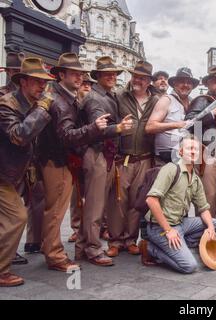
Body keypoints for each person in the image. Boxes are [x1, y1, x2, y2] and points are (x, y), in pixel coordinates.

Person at [37, 53, 104, 272]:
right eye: (74, 74)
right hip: (56, 160)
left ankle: (52, 250)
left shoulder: (65, 96)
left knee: (55, 208)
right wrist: (94, 128)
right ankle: (55, 255)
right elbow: (67, 135)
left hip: (59, 159)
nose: (79, 78)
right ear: (61, 75)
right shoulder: (60, 100)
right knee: (56, 210)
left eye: (81, 74)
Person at [0, 57, 54, 286]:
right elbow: (19, 136)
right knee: (16, 217)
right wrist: (42, 109)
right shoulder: (6, 105)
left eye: (44, 82)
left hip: (16, 173)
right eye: (37, 81)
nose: (42, 87)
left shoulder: (30, 103)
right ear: (23, 81)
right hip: (3, 175)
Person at [75, 56, 133, 267]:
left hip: (104, 155)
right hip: (98, 154)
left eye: (114, 73)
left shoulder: (107, 95)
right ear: (97, 76)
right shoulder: (96, 99)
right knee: (95, 206)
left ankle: (83, 247)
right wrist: (118, 128)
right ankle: (93, 249)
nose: (112, 76)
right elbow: (97, 128)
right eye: (107, 73)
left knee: (95, 204)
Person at [106, 61, 160, 257]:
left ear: (149, 81)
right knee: (117, 201)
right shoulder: (119, 95)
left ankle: (130, 239)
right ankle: (114, 240)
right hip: (123, 158)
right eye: (136, 76)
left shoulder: (155, 101)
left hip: (145, 157)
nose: (138, 80)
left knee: (137, 202)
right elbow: (109, 123)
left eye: (143, 78)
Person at [144, 135, 216, 274]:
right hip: (159, 227)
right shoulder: (171, 169)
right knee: (189, 266)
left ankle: (180, 244)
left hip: (180, 224)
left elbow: (203, 208)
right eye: (189, 148)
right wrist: (168, 230)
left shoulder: (195, 179)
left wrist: (210, 227)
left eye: (196, 149)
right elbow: (151, 200)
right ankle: (151, 248)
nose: (193, 152)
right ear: (180, 152)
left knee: (214, 224)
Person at [185, 67, 216, 222]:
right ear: (208, 84)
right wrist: (212, 113)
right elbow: (189, 123)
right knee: (207, 197)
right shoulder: (203, 100)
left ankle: (213, 233)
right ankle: (204, 234)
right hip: (208, 156)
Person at [146, 67, 199, 165]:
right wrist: (177, 125)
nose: (185, 85)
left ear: (192, 86)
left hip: (186, 159)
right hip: (165, 160)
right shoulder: (166, 100)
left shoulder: (193, 103)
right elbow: (150, 127)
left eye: (189, 82)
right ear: (175, 83)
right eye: (182, 81)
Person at [68, 73, 96, 243]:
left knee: (95, 193)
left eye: (89, 84)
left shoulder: (94, 103)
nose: (86, 86)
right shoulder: (73, 105)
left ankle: (97, 227)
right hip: (75, 152)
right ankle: (76, 227)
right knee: (77, 193)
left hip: (93, 150)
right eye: (84, 83)